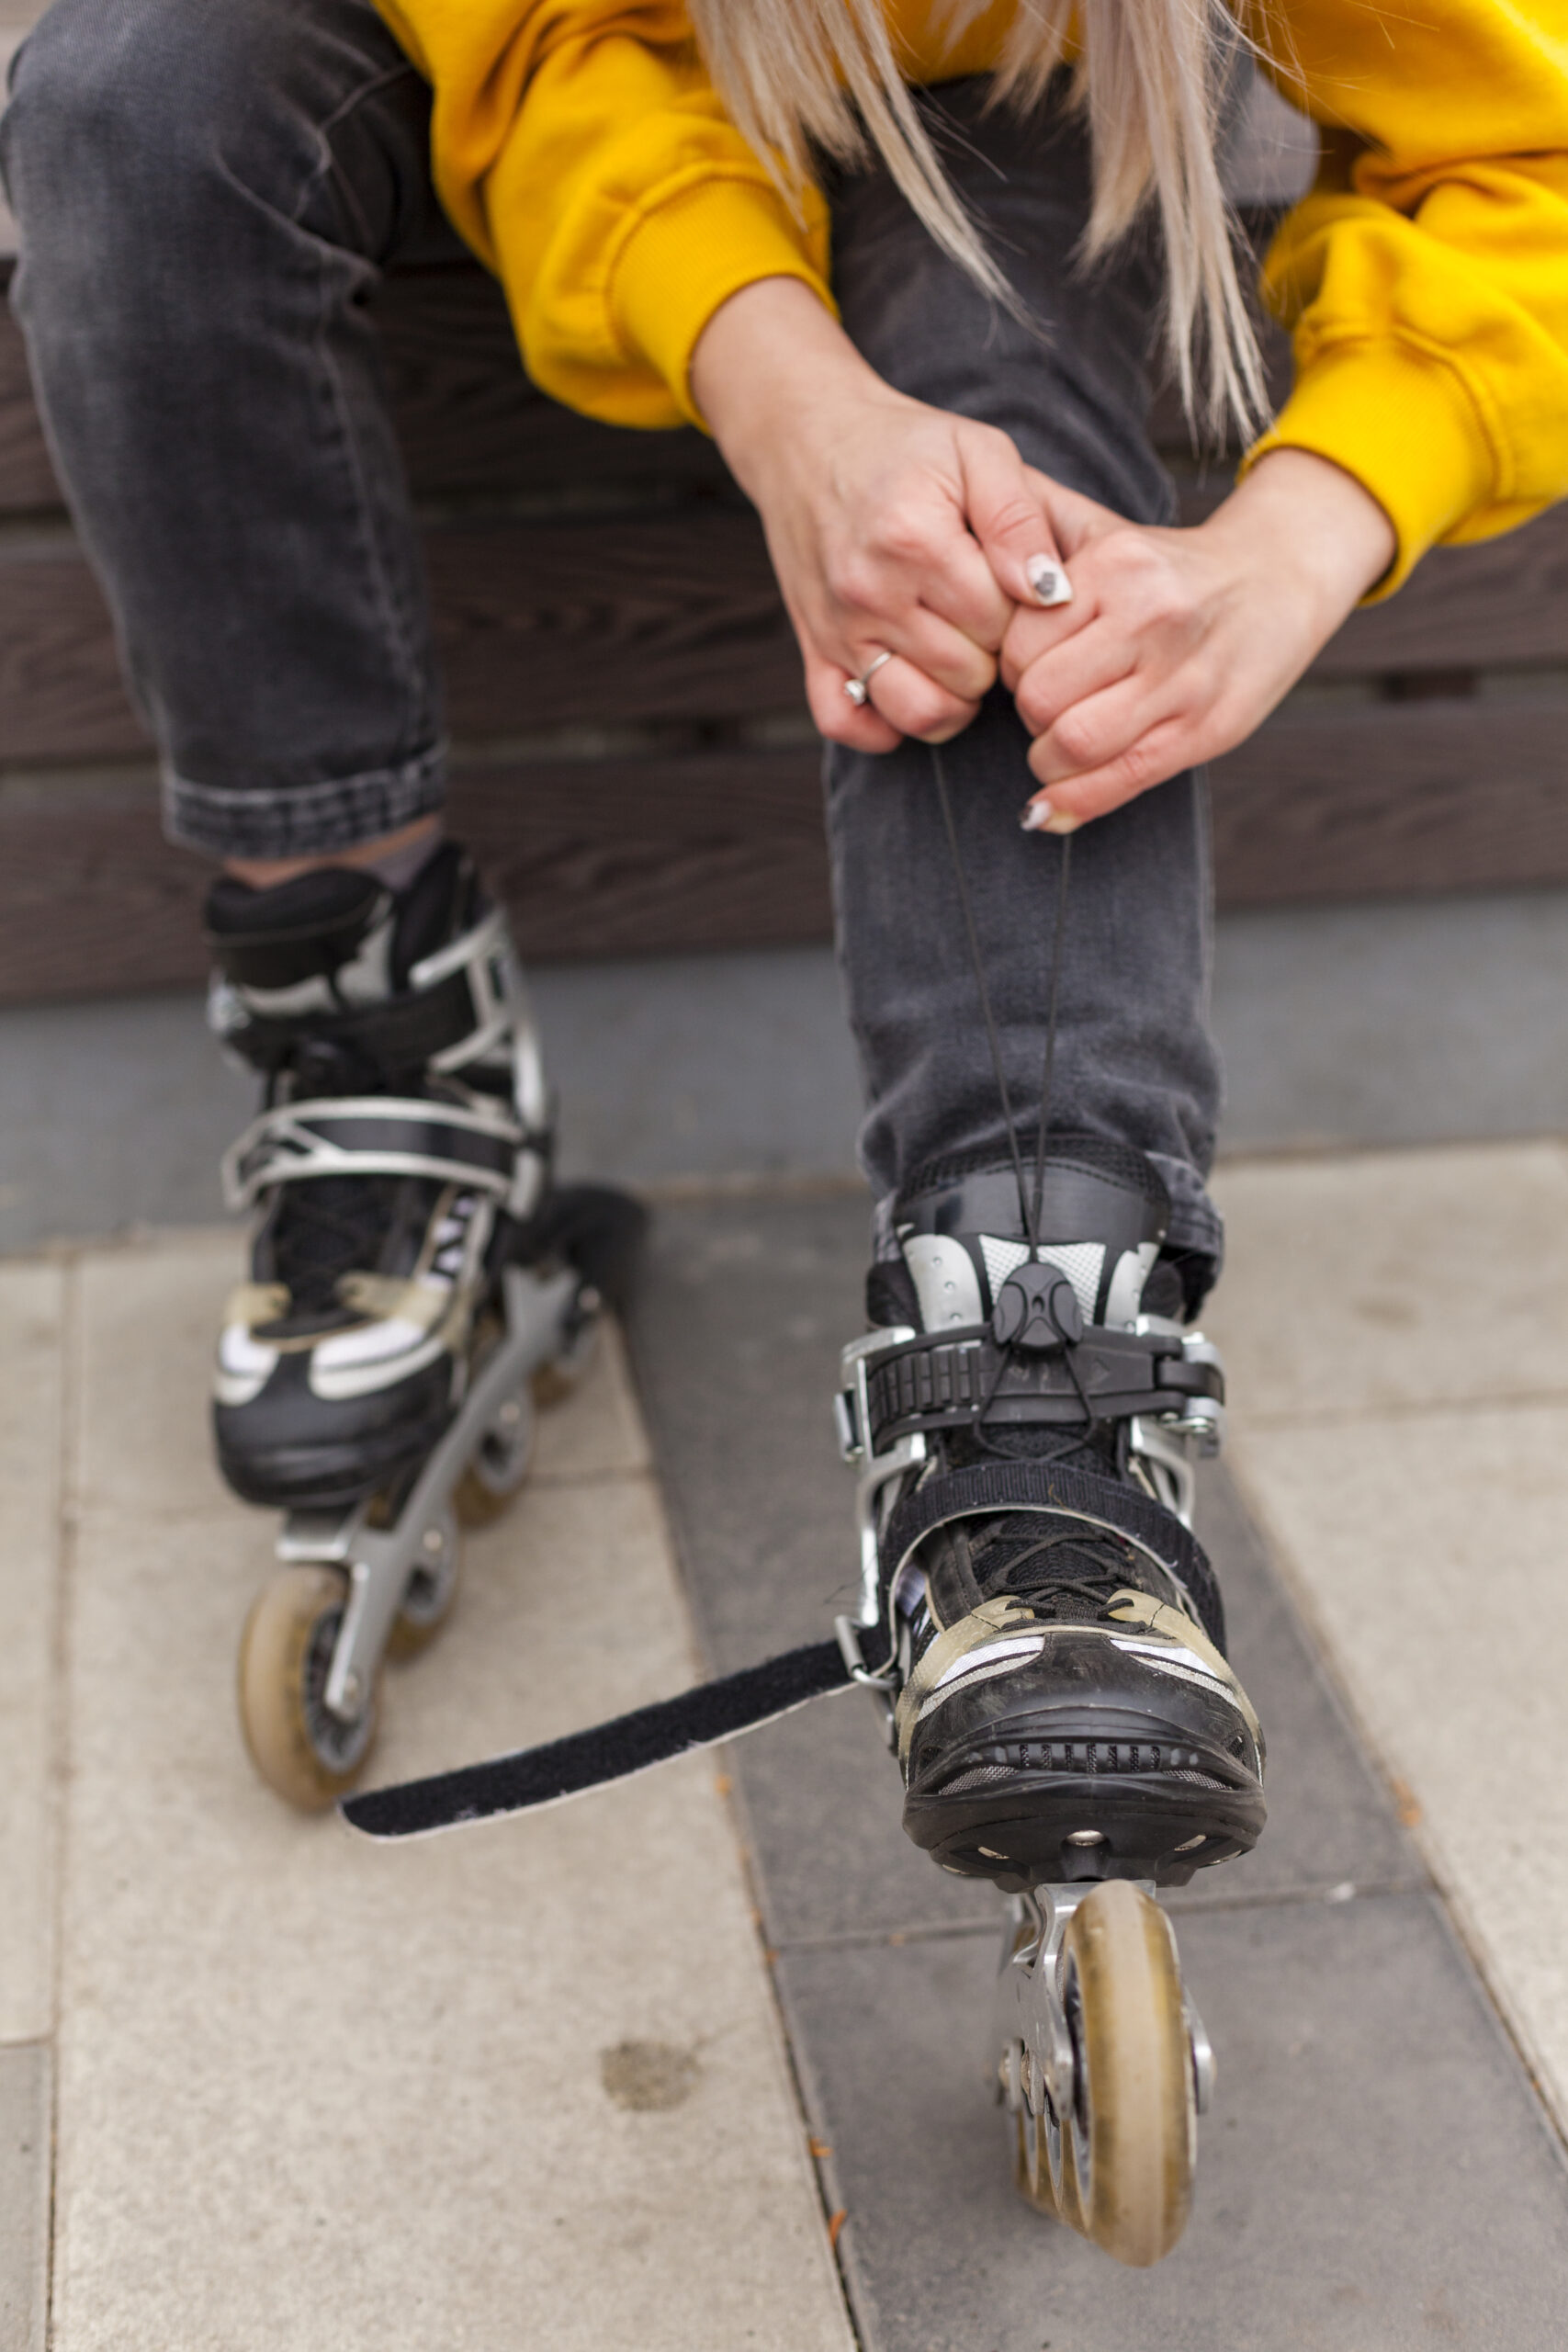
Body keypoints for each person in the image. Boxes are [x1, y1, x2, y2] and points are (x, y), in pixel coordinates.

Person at [4, 0, 1564, 1931]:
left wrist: (1300, 537)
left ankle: (1036, 1346)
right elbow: (536, 41)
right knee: (138, 103)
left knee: (994, 345)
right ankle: (377, 1029)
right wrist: (782, 395)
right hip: (518, 43)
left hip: (1016, 72)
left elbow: (1533, 139)